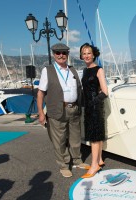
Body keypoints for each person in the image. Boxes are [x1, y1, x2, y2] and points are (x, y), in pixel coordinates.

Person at [37, 43, 89, 178]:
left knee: (76, 138)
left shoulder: (73, 71)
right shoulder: (47, 70)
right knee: (59, 140)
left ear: (67, 54)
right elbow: (41, 93)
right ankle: (64, 165)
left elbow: (80, 89)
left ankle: (77, 160)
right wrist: (41, 113)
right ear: (53, 54)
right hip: (57, 110)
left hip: (74, 109)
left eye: (64, 53)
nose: (61, 55)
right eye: (58, 53)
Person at [80, 43, 108, 178]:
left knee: (94, 137)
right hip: (89, 107)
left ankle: (94, 166)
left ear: (94, 54)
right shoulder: (85, 70)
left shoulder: (99, 70)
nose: (86, 55)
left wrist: (92, 102)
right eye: (84, 53)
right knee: (97, 134)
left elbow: (105, 92)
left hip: (95, 106)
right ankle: (100, 160)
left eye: (88, 53)